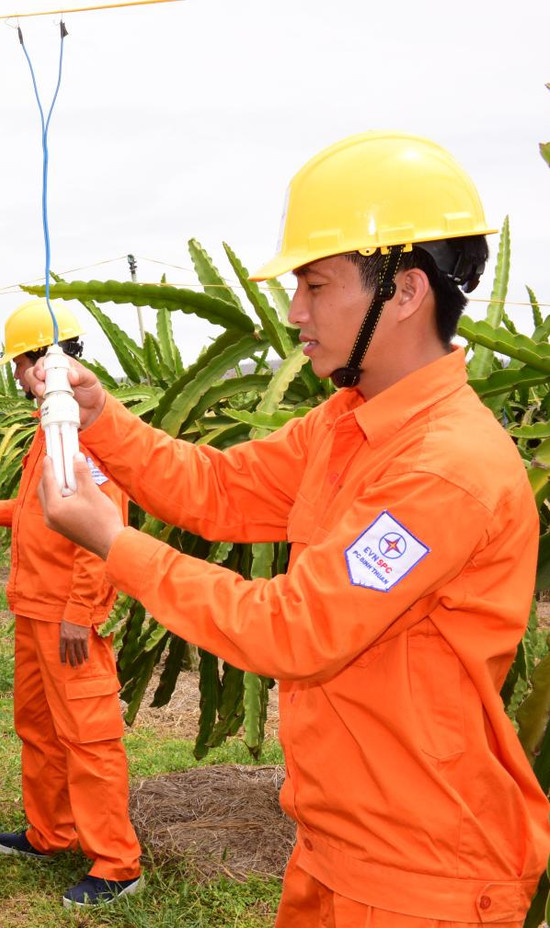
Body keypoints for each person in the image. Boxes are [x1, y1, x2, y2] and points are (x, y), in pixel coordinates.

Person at [33, 131, 550, 926]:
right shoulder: (347, 425)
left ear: (404, 292)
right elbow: (217, 486)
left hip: (423, 871)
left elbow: (295, 630)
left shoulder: (445, 470)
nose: (294, 312)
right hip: (336, 843)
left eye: (314, 284)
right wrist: (103, 419)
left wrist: (114, 542)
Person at [0, 298, 142, 907]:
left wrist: (81, 612)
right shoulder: (49, 423)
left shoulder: (79, 428)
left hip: (65, 614)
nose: (15, 376)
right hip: (33, 610)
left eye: (18, 363)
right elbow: (49, 512)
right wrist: (1, 511)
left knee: (88, 737)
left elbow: (102, 523)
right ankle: (52, 832)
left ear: (42, 360)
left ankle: (116, 863)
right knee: (38, 728)